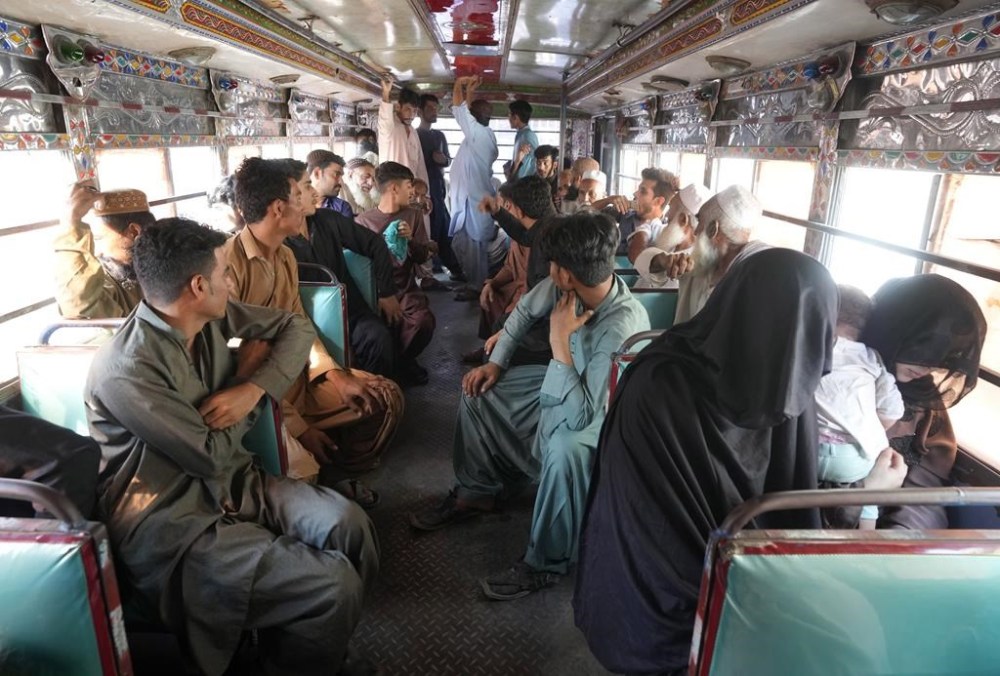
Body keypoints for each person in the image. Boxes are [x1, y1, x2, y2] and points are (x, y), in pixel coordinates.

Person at [86, 217, 379, 676]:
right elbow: (207, 455)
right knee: (332, 585)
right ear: (199, 286)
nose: (230, 281)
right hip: (174, 521)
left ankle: (309, 650)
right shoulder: (126, 369)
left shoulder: (208, 321)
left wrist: (255, 387)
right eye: (224, 273)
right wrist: (243, 377)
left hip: (237, 484)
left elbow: (295, 329)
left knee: (350, 526)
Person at [574, 248, 843, 675]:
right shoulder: (660, 385)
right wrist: (749, 593)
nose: (797, 349)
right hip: (659, 598)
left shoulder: (791, 387)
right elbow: (647, 524)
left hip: (746, 574)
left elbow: (794, 502)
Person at [410, 213, 650, 602]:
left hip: (603, 412)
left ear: (566, 273)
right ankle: (477, 491)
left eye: (553, 264)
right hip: (563, 378)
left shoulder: (621, 326)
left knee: (564, 448)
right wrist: (495, 362)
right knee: (480, 391)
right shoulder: (569, 288)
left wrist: (559, 342)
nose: (549, 270)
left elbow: (585, 414)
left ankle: (546, 562)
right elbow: (522, 314)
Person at [227, 157, 403, 503]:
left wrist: (334, 375)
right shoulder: (229, 266)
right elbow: (240, 365)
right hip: (258, 398)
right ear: (279, 208)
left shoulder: (285, 258)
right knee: (303, 474)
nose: (312, 197)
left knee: (384, 398)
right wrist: (298, 428)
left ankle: (338, 469)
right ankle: (324, 484)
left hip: (299, 379)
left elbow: (300, 325)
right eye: (301, 191)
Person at [861, 274, 987, 530]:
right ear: (895, 331)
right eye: (923, 348)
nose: (930, 365)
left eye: (948, 355)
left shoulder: (924, 400)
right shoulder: (839, 377)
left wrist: (899, 542)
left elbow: (924, 493)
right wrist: (864, 498)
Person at [281, 159, 407, 382]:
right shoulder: (277, 244)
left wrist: (386, 293)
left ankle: (379, 397)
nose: (313, 192)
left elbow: (374, 244)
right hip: (304, 319)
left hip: (349, 312)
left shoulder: (328, 220)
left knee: (378, 337)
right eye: (307, 186)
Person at [815, 285, 906, 529]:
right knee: (869, 501)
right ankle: (864, 541)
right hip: (854, 460)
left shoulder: (808, 345)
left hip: (806, 449)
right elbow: (891, 412)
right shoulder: (871, 357)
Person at [355, 161, 437, 386]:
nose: (413, 191)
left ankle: (403, 361)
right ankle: (391, 364)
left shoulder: (413, 216)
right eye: (409, 185)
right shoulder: (363, 222)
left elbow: (421, 257)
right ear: (393, 188)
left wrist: (410, 240)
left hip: (406, 287)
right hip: (375, 289)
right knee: (377, 329)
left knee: (423, 321)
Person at [673, 184, 770, 324]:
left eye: (700, 222)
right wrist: (662, 261)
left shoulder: (752, 280)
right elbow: (652, 268)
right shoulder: (701, 261)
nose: (695, 231)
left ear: (714, 230)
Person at [54, 183, 153, 319]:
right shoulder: (105, 281)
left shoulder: (168, 265)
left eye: (99, 239)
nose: (98, 253)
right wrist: (70, 223)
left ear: (134, 232)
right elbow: (79, 304)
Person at [448, 75, 499, 299]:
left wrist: (459, 84)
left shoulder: (477, 134)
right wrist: (470, 92)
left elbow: (460, 108)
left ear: (475, 119)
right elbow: (466, 109)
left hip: (474, 201)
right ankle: (472, 282)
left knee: (474, 247)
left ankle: (477, 287)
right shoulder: (483, 133)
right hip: (469, 200)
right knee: (464, 245)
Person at [633, 183, 712, 289]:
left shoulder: (684, 265)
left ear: (683, 220)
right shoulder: (671, 239)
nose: (666, 215)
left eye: (670, 208)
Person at [417, 92, 460, 276]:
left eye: (436, 109)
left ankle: (452, 268)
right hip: (422, 188)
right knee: (430, 229)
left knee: (444, 227)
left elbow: (448, 161)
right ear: (420, 111)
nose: (434, 112)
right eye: (430, 108)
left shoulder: (439, 135)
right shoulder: (414, 135)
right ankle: (433, 270)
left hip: (438, 187)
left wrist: (442, 160)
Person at [378, 76, 428, 186]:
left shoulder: (413, 132)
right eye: (407, 109)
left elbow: (420, 165)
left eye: (414, 111)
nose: (412, 115)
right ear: (398, 107)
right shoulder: (390, 128)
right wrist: (386, 93)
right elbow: (384, 118)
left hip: (412, 189)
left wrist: (426, 193)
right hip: (393, 188)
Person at [306, 150, 354, 219]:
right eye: (336, 174)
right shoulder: (297, 206)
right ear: (317, 173)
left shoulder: (341, 208)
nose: (341, 182)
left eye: (341, 176)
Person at [507, 99, 538, 180]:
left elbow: (536, 160)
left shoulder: (528, 135)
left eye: (509, 115)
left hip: (524, 183)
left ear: (515, 117)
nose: (508, 118)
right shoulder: (520, 134)